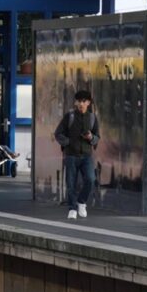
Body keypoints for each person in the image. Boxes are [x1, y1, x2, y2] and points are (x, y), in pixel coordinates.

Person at [54, 90, 99, 220]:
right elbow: (58, 133)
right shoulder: (70, 117)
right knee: (71, 183)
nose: (81, 104)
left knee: (90, 179)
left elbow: (97, 137)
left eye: (84, 101)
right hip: (71, 155)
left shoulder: (92, 118)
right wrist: (67, 142)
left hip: (87, 155)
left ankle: (81, 202)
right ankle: (72, 208)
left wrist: (91, 137)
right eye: (79, 101)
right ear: (75, 102)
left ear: (88, 103)